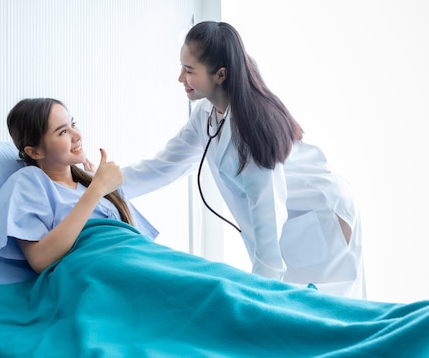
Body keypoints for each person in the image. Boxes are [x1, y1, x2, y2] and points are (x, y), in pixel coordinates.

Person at [121, 21, 365, 298]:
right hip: (297, 219)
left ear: (220, 75)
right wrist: (104, 184)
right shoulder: (206, 115)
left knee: (324, 311)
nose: (180, 77)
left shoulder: (251, 134)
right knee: (297, 309)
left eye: (189, 70)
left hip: (321, 215)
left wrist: (256, 296)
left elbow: (268, 213)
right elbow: (163, 167)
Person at [0, 97, 157, 273]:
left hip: (137, 258)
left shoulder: (94, 181)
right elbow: (40, 260)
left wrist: (97, 184)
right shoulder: (29, 182)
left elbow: (142, 242)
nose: (78, 135)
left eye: (73, 124)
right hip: (94, 269)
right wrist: (97, 189)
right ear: (34, 151)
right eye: (63, 132)